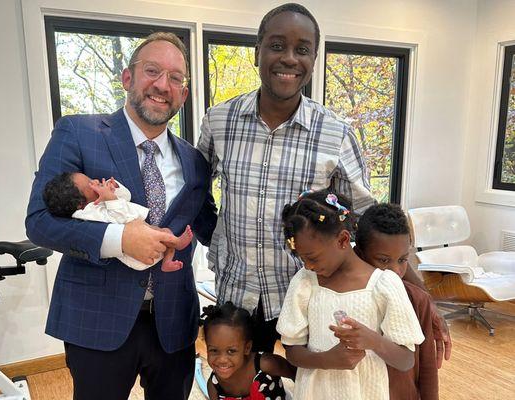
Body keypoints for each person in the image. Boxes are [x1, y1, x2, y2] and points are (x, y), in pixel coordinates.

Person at [26, 32, 217, 400]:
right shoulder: (78, 132)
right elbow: (39, 221)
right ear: (128, 78)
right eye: (152, 71)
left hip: (173, 322)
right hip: (96, 318)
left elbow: (208, 226)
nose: (163, 85)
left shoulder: (195, 161)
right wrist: (119, 240)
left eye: (176, 78)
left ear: (184, 94)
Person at [197, 2, 374, 353]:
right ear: (257, 51)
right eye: (277, 46)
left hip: (310, 296)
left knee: (309, 386)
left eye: (303, 50)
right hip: (237, 295)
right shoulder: (219, 121)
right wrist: (214, 237)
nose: (290, 58)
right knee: (243, 387)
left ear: (313, 59)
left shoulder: (335, 132)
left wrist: (403, 282)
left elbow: (365, 216)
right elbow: (195, 190)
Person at [276, 189, 424, 400]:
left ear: (343, 240)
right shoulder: (305, 282)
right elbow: (292, 351)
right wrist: (327, 360)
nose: (307, 265)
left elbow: (406, 360)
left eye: (312, 257)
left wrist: (374, 341)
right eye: (302, 258)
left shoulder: (384, 285)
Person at [355, 203, 439, 400]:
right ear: (360, 254)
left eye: (402, 260)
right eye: (384, 260)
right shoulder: (349, 297)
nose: (395, 271)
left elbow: (427, 368)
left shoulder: (418, 300)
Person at [43, 172, 193, 272]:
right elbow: (119, 217)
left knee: (165, 232)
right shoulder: (89, 213)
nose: (95, 180)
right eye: (90, 183)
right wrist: (110, 199)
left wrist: (115, 189)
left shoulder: (99, 202)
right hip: (137, 256)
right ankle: (177, 243)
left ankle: (167, 261)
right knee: (165, 235)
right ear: (79, 204)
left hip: (144, 235)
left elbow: (126, 198)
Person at [202, 302, 295, 400]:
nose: (222, 359)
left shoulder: (267, 364)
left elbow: (298, 376)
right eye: (214, 350)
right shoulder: (214, 386)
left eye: (231, 351)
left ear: (247, 348)